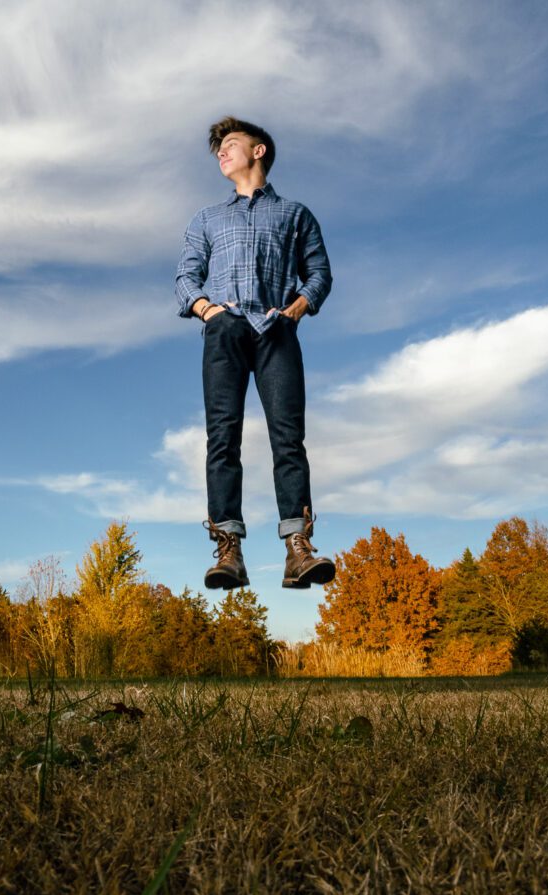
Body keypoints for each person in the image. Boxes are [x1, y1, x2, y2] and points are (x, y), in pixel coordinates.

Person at [175, 115, 335, 591]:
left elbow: (319, 272)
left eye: (229, 144)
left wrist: (297, 309)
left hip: (276, 331)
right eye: (217, 149)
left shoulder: (295, 214)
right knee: (222, 438)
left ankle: (297, 549)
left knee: (288, 439)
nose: (220, 153)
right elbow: (185, 276)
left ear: (259, 150)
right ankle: (229, 549)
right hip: (225, 331)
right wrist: (207, 310)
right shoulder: (207, 218)